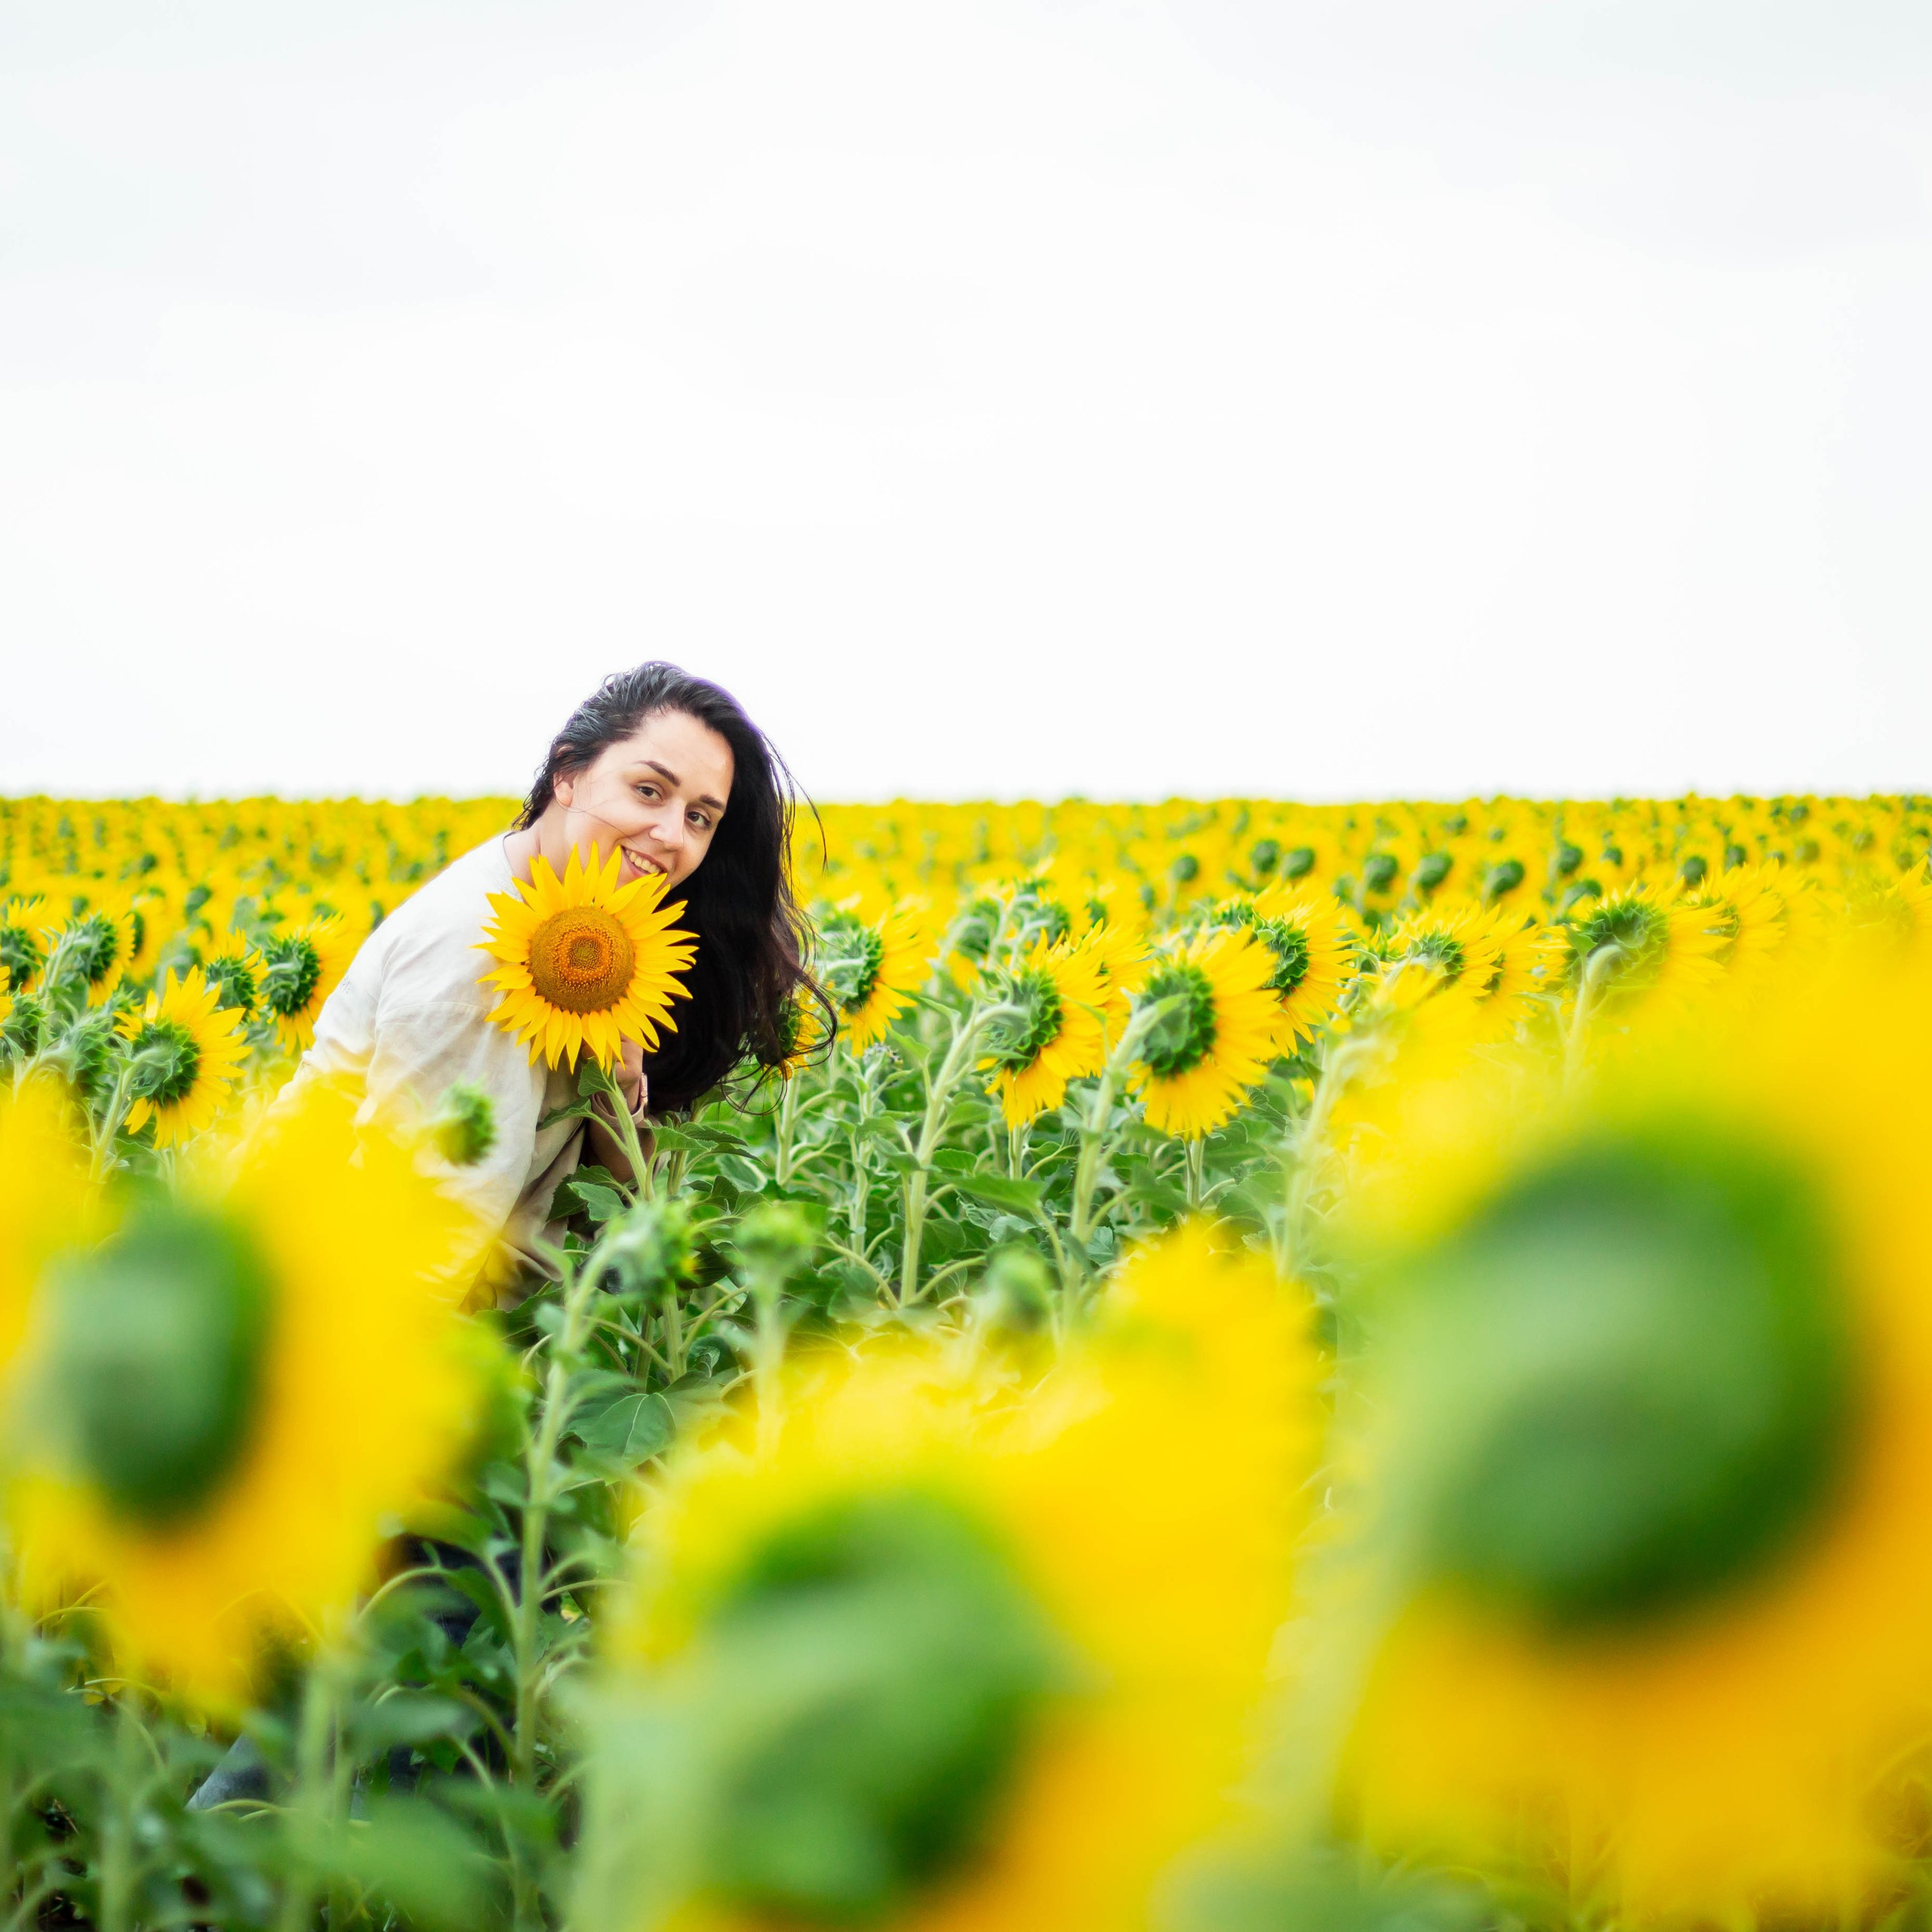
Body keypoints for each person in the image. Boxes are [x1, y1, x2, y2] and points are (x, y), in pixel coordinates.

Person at [290, 661, 823, 1297]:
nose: (671, 836)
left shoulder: (585, 928)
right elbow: (422, 1252)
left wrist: (620, 1086)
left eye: (701, 817)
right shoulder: (484, 954)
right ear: (568, 774)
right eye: (650, 791)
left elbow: (618, 1198)